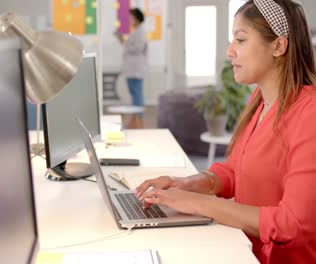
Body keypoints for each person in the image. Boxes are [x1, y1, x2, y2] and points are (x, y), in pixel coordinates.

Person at [135, 1, 316, 263]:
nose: (230, 51)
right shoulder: (261, 100)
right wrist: (184, 184)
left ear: (278, 45)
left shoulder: (309, 113)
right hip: (241, 249)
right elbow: (235, 171)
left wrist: (195, 203)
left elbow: (291, 224)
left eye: (240, 40)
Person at [115, 8, 148, 113]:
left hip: (136, 69)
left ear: (137, 18)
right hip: (132, 69)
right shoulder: (136, 32)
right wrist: (123, 41)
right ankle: (136, 118)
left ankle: (139, 119)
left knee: (137, 94)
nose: (130, 19)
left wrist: (125, 44)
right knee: (134, 94)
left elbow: (138, 48)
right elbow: (130, 46)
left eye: (131, 17)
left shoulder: (140, 32)